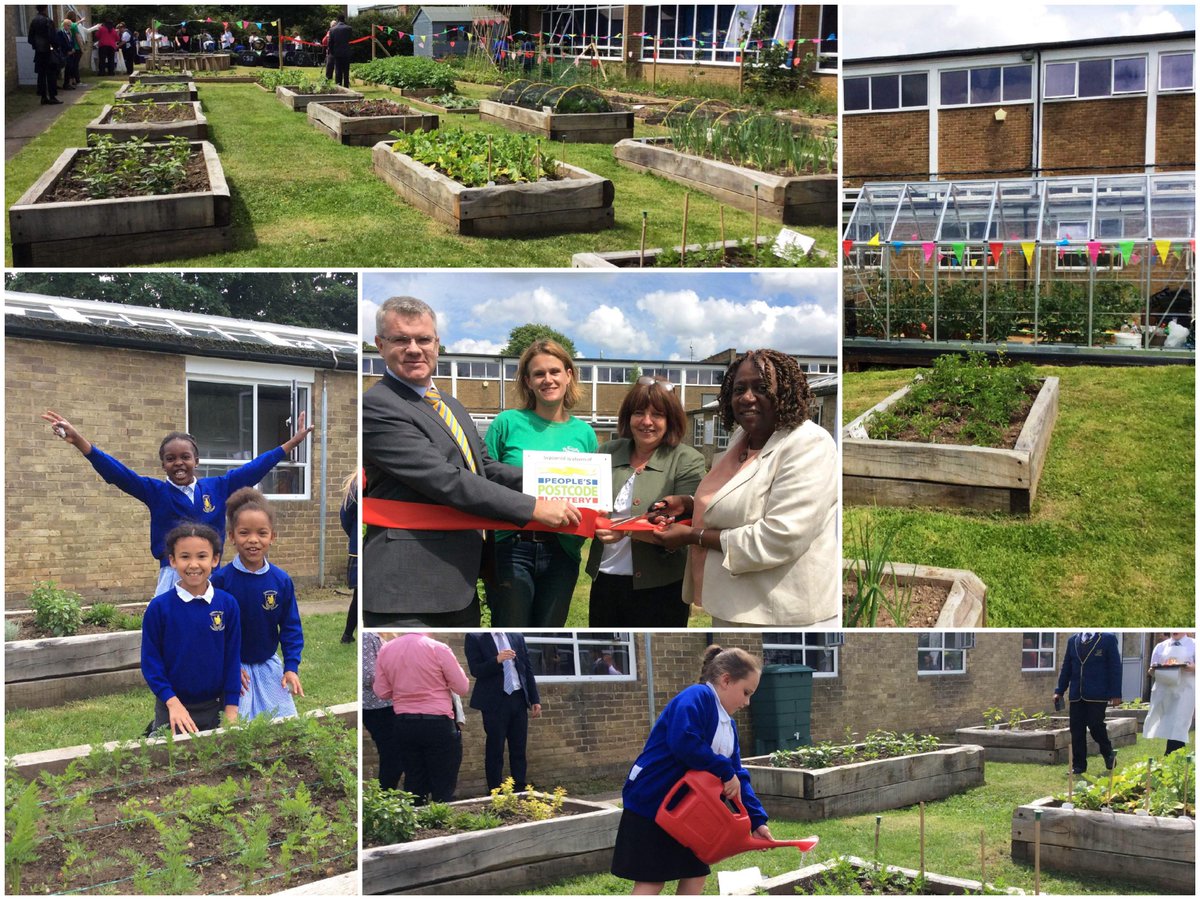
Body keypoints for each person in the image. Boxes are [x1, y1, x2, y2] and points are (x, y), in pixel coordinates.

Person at [362, 297, 580, 627]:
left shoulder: (451, 406)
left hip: (457, 582)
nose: (414, 349)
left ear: (437, 344)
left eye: (423, 339)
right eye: (400, 339)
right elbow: (445, 479)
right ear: (380, 345)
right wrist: (531, 507)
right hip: (407, 589)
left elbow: (486, 468)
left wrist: (565, 484)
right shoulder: (377, 406)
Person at [646, 350, 838, 627]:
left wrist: (693, 536)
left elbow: (779, 538)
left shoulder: (808, 444)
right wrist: (689, 505)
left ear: (786, 391)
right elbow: (741, 498)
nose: (747, 397)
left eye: (761, 388)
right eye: (739, 389)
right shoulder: (743, 437)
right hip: (732, 604)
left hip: (781, 615)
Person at [43, 409, 312, 597]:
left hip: (212, 577)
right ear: (163, 464)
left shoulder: (217, 487)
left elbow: (255, 468)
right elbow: (117, 473)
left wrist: (291, 443)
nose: (179, 463)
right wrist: (79, 441)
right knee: (172, 636)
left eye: (185, 457)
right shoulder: (155, 491)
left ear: (197, 461)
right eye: (171, 459)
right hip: (173, 576)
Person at [612, 645, 772, 894]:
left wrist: (757, 820)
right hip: (651, 803)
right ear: (726, 680)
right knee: (652, 880)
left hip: (686, 812)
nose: (747, 702)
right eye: (746, 692)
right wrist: (723, 770)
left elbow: (738, 775)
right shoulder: (696, 696)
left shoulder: (728, 725)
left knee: (695, 874)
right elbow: (684, 741)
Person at [484, 340, 596, 627]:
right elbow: (483, 480)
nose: (548, 379)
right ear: (527, 381)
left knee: (549, 637)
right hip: (512, 546)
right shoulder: (506, 423)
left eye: (555, 371)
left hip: (563, 551)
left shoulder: (585, 434)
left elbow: (591, 495)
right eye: (538, 374)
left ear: (569, 375)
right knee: (512, 632)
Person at [588, 378, 706, 627]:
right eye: (639, 413)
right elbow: (587, 504)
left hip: (661, 585)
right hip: (606, 580)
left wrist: (623, 529)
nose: (646, 421)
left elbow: (682, 525)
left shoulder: (687, 460)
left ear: (670, 420)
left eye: (657, 415)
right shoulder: (606, 452)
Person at [211, 488, 304, 721]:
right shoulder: (221, 581)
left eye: (262, 533)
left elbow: (291, 627)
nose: (253, 540)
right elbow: (213, 631)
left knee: (285, 727)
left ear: (272, 536)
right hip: (235, 670)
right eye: (244, 533)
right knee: (238, 734)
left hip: (268, 666)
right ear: (231, 536)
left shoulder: (281, 580)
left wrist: (291, 667)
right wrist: (227, 666)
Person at [140, 523, 241, 735]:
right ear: (172, 560)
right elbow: (151, 663)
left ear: (215, 560)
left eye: (202, 556)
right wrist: (172, 702)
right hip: (172, 706)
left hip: (215, 706)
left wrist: (231, 708)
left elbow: (232, 658)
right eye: (185, 557)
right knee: (170, 762)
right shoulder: (159, 608)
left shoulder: (227, 604)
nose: (193, 564)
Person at [373, 631, 469, 802]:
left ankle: (415, 824)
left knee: (414, 781)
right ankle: (440, 824)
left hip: (404, 724)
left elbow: (382, 691)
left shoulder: (386, 650)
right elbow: (461, 687)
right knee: (443, 783)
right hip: (438, 723)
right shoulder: (438, 648)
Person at [465, 632, 542, 791]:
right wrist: (497, 660)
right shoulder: (475, 637)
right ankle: (495, 790)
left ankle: (520, 787)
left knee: (519, 747)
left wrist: (535, 699)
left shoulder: (517, 636)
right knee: (495, 748)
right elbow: (476, 670)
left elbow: (527, 668)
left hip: (518, 698)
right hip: (494, 702)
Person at [1054, 631, 1121, 775]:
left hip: (1098, 694)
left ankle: (1108, 752)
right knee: (1076, 730)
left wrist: (1115, 693)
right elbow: (1067, 666)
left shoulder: (1108, 639)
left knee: (1095, 725)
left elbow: (1115, 666)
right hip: (1077, 694)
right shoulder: (1073, 640)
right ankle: (1078, 766)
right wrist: (1059, 690)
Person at [1144, 632, 1196, 756]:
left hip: (1185, 690)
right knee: (1168, 722)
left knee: (1179, 722)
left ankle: (1171, 755)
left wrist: (1194, 667)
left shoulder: (1194, 644)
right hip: (1165, 690)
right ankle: (1176, 757)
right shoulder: (1161, 647)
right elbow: (1151, 671)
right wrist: (1153, 669)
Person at [362, 632, 402, 790]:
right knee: (393, 758)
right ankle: (383, 801)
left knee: (396, 757)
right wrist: (402, 680)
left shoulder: (383, 636)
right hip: (377, 708)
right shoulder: (368, 636)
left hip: (389, 705)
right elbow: (368, 676)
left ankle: (385, 800)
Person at [27, 6, 61, 105]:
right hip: (48, 51)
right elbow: (52, 37)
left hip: (39, 52)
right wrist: (55, 47)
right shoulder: (48, 21)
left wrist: (36, 46)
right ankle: (52, 96)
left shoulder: (34, 21)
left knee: (41, 75)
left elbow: (30, 38)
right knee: (51, 74)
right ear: (45, 8)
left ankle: (43, 97)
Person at [340, 471, 359, 644]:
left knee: (360, 595)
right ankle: (347, 635)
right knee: (360, 595)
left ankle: (348, 635)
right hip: (360, 550)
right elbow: (345, 515)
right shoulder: (357, 482)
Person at [327, 15, 353, 87]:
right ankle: (346, 86)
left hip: (336, 53)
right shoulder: (349, 28)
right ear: (344, 20)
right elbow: (350, 39)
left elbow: (330, 42)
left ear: (337, 20)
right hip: (346, 52)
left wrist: (332, 52)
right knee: (346, 71)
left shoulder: (332, 30)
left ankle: (339, 86)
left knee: (338, 71)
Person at [60, 16, 84, 89]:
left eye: (70, 26)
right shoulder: (63, 32)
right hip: (70, 51)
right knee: (71, 67)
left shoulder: (67, 30)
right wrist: (81, 48)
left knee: (70, 67)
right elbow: (77, 37)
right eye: (68, 26)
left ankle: (69, 83)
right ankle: (71, 83)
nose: (70, 27)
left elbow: (71, 40)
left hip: (71, 50)